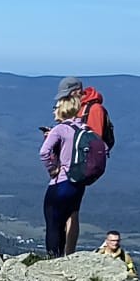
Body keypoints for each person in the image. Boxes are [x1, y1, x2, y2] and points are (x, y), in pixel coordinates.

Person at [40, 95, 85, 258]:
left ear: (63, 109)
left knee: (53, 223)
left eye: (56, 107)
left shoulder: (59, 129)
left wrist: (52, 169)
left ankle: (53, 261)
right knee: (69, 217)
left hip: (61, 182)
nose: (54, 111)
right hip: (78, 183)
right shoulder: (84, 129)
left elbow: (44, 153)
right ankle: (66, 260)